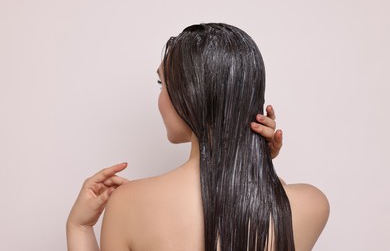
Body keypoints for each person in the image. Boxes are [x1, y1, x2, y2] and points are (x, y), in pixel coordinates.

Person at [67, 23, 329, 251]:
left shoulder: (128, 204)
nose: (161, 97)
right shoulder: (312, 205)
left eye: (163, 85)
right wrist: (256, 158)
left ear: (191, 95)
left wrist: (80, 227)